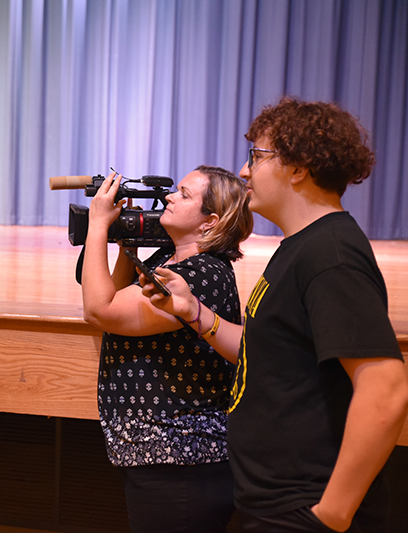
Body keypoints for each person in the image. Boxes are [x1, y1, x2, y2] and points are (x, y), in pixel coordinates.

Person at [142, 98, 408, 533]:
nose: (244, 171)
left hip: (304, 513)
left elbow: (386, 389)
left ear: (299, 167)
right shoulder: (300, 246)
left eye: (257, 157)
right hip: (272, 506)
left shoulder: (331, 256)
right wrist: (194, 312)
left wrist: (331, 515)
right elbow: (267, 353)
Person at [81, 165, 253, 533]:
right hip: (162, 458)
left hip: (183, 462)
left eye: (185, 194)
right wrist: (125, 235)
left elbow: (100, 309)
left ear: (210, 222)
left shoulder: (202, 273)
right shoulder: (168, 260)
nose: (170, 197)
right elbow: (112, 293)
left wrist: (97, 226)